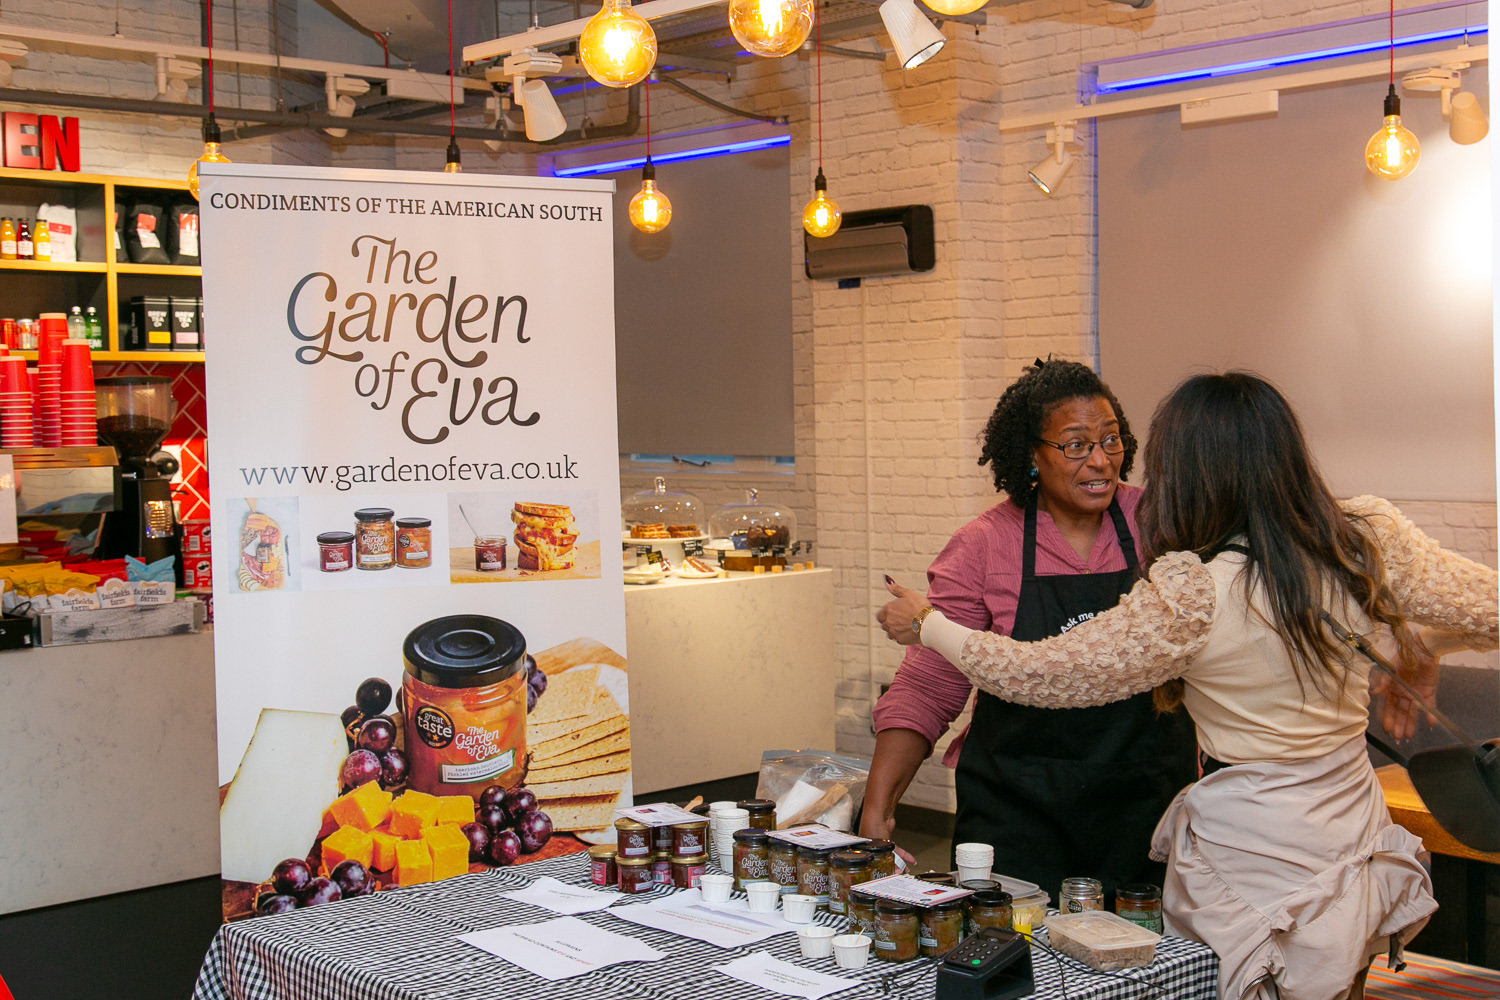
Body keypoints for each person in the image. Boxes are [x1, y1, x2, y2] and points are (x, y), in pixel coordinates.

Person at [878, 372, 1498, 1000]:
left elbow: (1039, 674)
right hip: (1346, 823)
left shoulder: (1194, 592)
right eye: (1076, 444)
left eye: (1123, 443)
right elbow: (1487, 607)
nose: (1111, 465)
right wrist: (1425, 646)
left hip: (1246, 845)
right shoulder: (1364, 539)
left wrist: (929, 623)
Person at [862, 358, 1197, 902]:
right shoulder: (983, 545)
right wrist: (879, 806)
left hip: (1148, 806)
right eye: (1076, 445)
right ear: (1032, 456)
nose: (1101, 461)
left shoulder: (1161, 524)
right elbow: (929, 688)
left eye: (1111, 441)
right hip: (1018, 813)